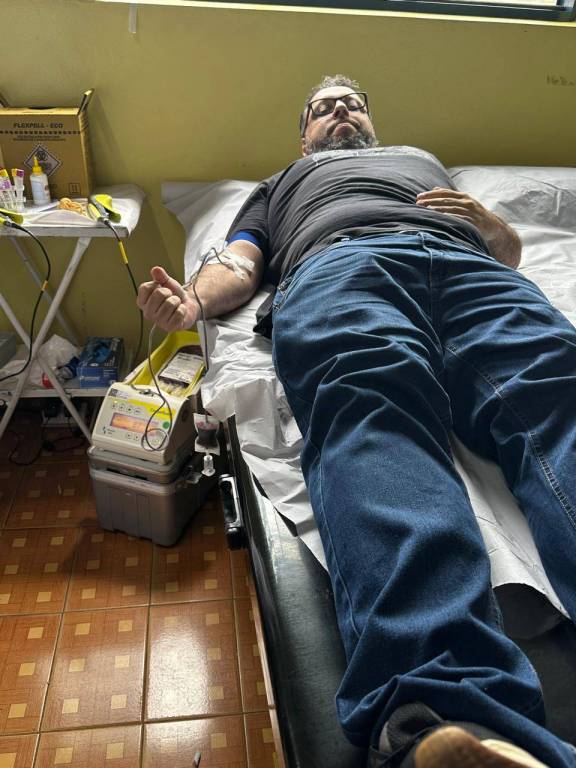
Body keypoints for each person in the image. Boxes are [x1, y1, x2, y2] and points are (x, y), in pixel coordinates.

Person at [137, 75, 576, 768]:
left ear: (371, 122)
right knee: (373, 416)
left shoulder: (422, 162)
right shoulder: (281, 185)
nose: (341, 110)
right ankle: (452, 714)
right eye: (324, 107)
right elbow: (241, 263)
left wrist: (491, 228)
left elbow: (508, 252)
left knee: (560, 397)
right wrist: (192, 302)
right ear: (304, 135)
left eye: (353, 103)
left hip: (472, 271)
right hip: (340, 268)